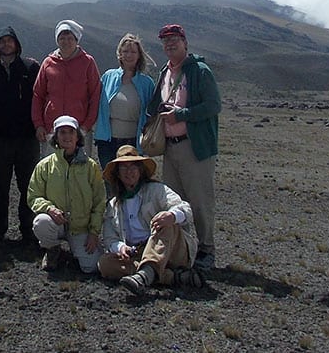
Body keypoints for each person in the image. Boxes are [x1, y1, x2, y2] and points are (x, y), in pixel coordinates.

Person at [147, 24, 221, 271]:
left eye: (174, 40)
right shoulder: (165, 72)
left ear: (185, 43)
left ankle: (206, 250)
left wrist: (182, 114)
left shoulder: (200, 71)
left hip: (194, 147)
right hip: (171, 147)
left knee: (199, 200)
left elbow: (213, 106)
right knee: (175, 201)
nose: (170, 45)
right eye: (166, 41)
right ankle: (182, 248)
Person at [98, 145, 203, 294]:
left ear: (140, 170)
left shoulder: (157, 190)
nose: (129, 172)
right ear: (118, 174)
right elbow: (109, 237)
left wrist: (172, 216)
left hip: (171, 248)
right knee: (105, 263)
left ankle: (144, 275)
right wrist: (121, 247)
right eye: (124, 168)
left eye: (133, 166)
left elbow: (185, 208)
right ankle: (170, 277)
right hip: (137, 252)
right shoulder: (113, 204)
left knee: (165, 223)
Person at [0, 26, 40, 243]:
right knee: (0, 185)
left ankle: (28, 228)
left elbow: (39, 99)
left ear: (16, 43)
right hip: (0, 139)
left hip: (27, 138)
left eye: (9, 40)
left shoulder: (30, 68)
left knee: (29, 184)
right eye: (1, 42)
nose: (6, 45)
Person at [27, 115, 105, 273]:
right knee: (41, 222)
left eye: (71, 132)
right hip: (56, 223)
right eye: (62, 132)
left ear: (78, 136)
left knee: (91, 267)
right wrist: (49, 209)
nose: (67, 136)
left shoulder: (91, 167)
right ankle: (53, 250)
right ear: (56, 137)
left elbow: (99, 201)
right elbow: (33, 196)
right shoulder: (44, 166)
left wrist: (94, 232)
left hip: (81, 227)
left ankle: (76, 249)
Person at [32, 20, 101, 155]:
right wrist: (38, 124)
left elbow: (95, 95)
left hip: (79, 130)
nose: (66, 41)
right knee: (52, 171)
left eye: (70, 38)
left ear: (77, 40)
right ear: (57, 40)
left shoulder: (87, 62)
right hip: (52, 129)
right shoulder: (48, 63)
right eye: (62, 38)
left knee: (79, 170)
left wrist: (86, 125)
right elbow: (38, 94)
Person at [94, 33, 155, 184]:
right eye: (125, 51)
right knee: (110, 182)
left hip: (133, 141)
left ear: (139, 55)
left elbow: (151, 115)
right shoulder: (108, 77)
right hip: (108, 141)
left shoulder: (147, 83)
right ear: (119, 54)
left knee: (132, 184)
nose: (129, 55)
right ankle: (112, 208)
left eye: (133, 52)